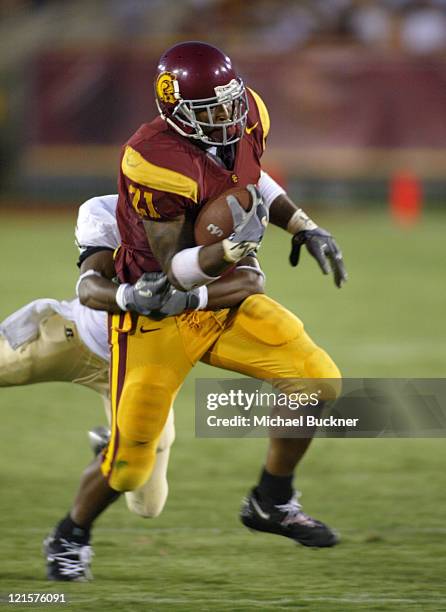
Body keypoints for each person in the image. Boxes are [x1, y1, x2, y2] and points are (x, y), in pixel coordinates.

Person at [45, 41, 347, 582]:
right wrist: (232, 251)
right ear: (175, 112)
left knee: (316, 379)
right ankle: (71, 533)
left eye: (231, 103)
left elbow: (254, 179)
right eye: (211, 111)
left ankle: (271, 501)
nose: (228, 117)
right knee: (130, 464)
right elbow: (174, 270)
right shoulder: (151, 157)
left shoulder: (248, 110)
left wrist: (302, 224)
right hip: (155, 312)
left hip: (218, 300)